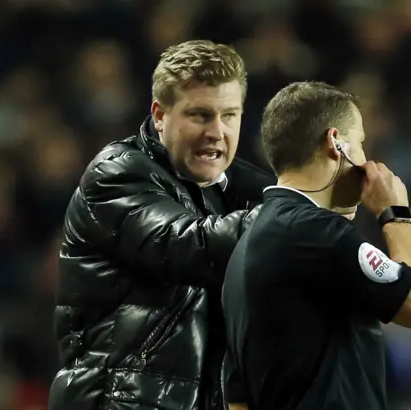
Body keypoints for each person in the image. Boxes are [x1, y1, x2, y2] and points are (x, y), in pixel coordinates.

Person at [48, 40, 276, 410]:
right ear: (159, 114)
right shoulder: (116, 174)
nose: (217, 131)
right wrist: (295, 209)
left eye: (229, 115)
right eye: (200, 115)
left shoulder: (240, 189)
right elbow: (187, 244)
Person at [222, 81, 411, 410]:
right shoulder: (316, 233)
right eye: (361, 144)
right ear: (336, 143)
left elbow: (238, 398)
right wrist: (395, 214)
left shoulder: (243, 246)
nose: (366, 160)